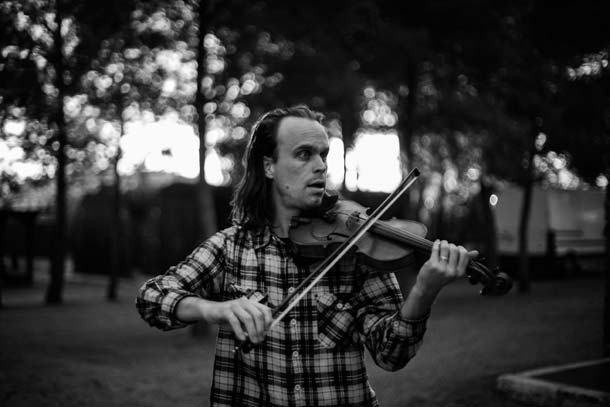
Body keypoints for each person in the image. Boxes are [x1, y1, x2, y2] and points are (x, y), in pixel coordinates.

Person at [136, 105, 478, 406]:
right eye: (304, 154)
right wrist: (212, 308)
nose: (320, 167)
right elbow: (152, 298)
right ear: (269, 166)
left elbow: (392, 354)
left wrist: (424, 291)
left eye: (323, 155)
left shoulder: (356, 245)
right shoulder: (232, 248)